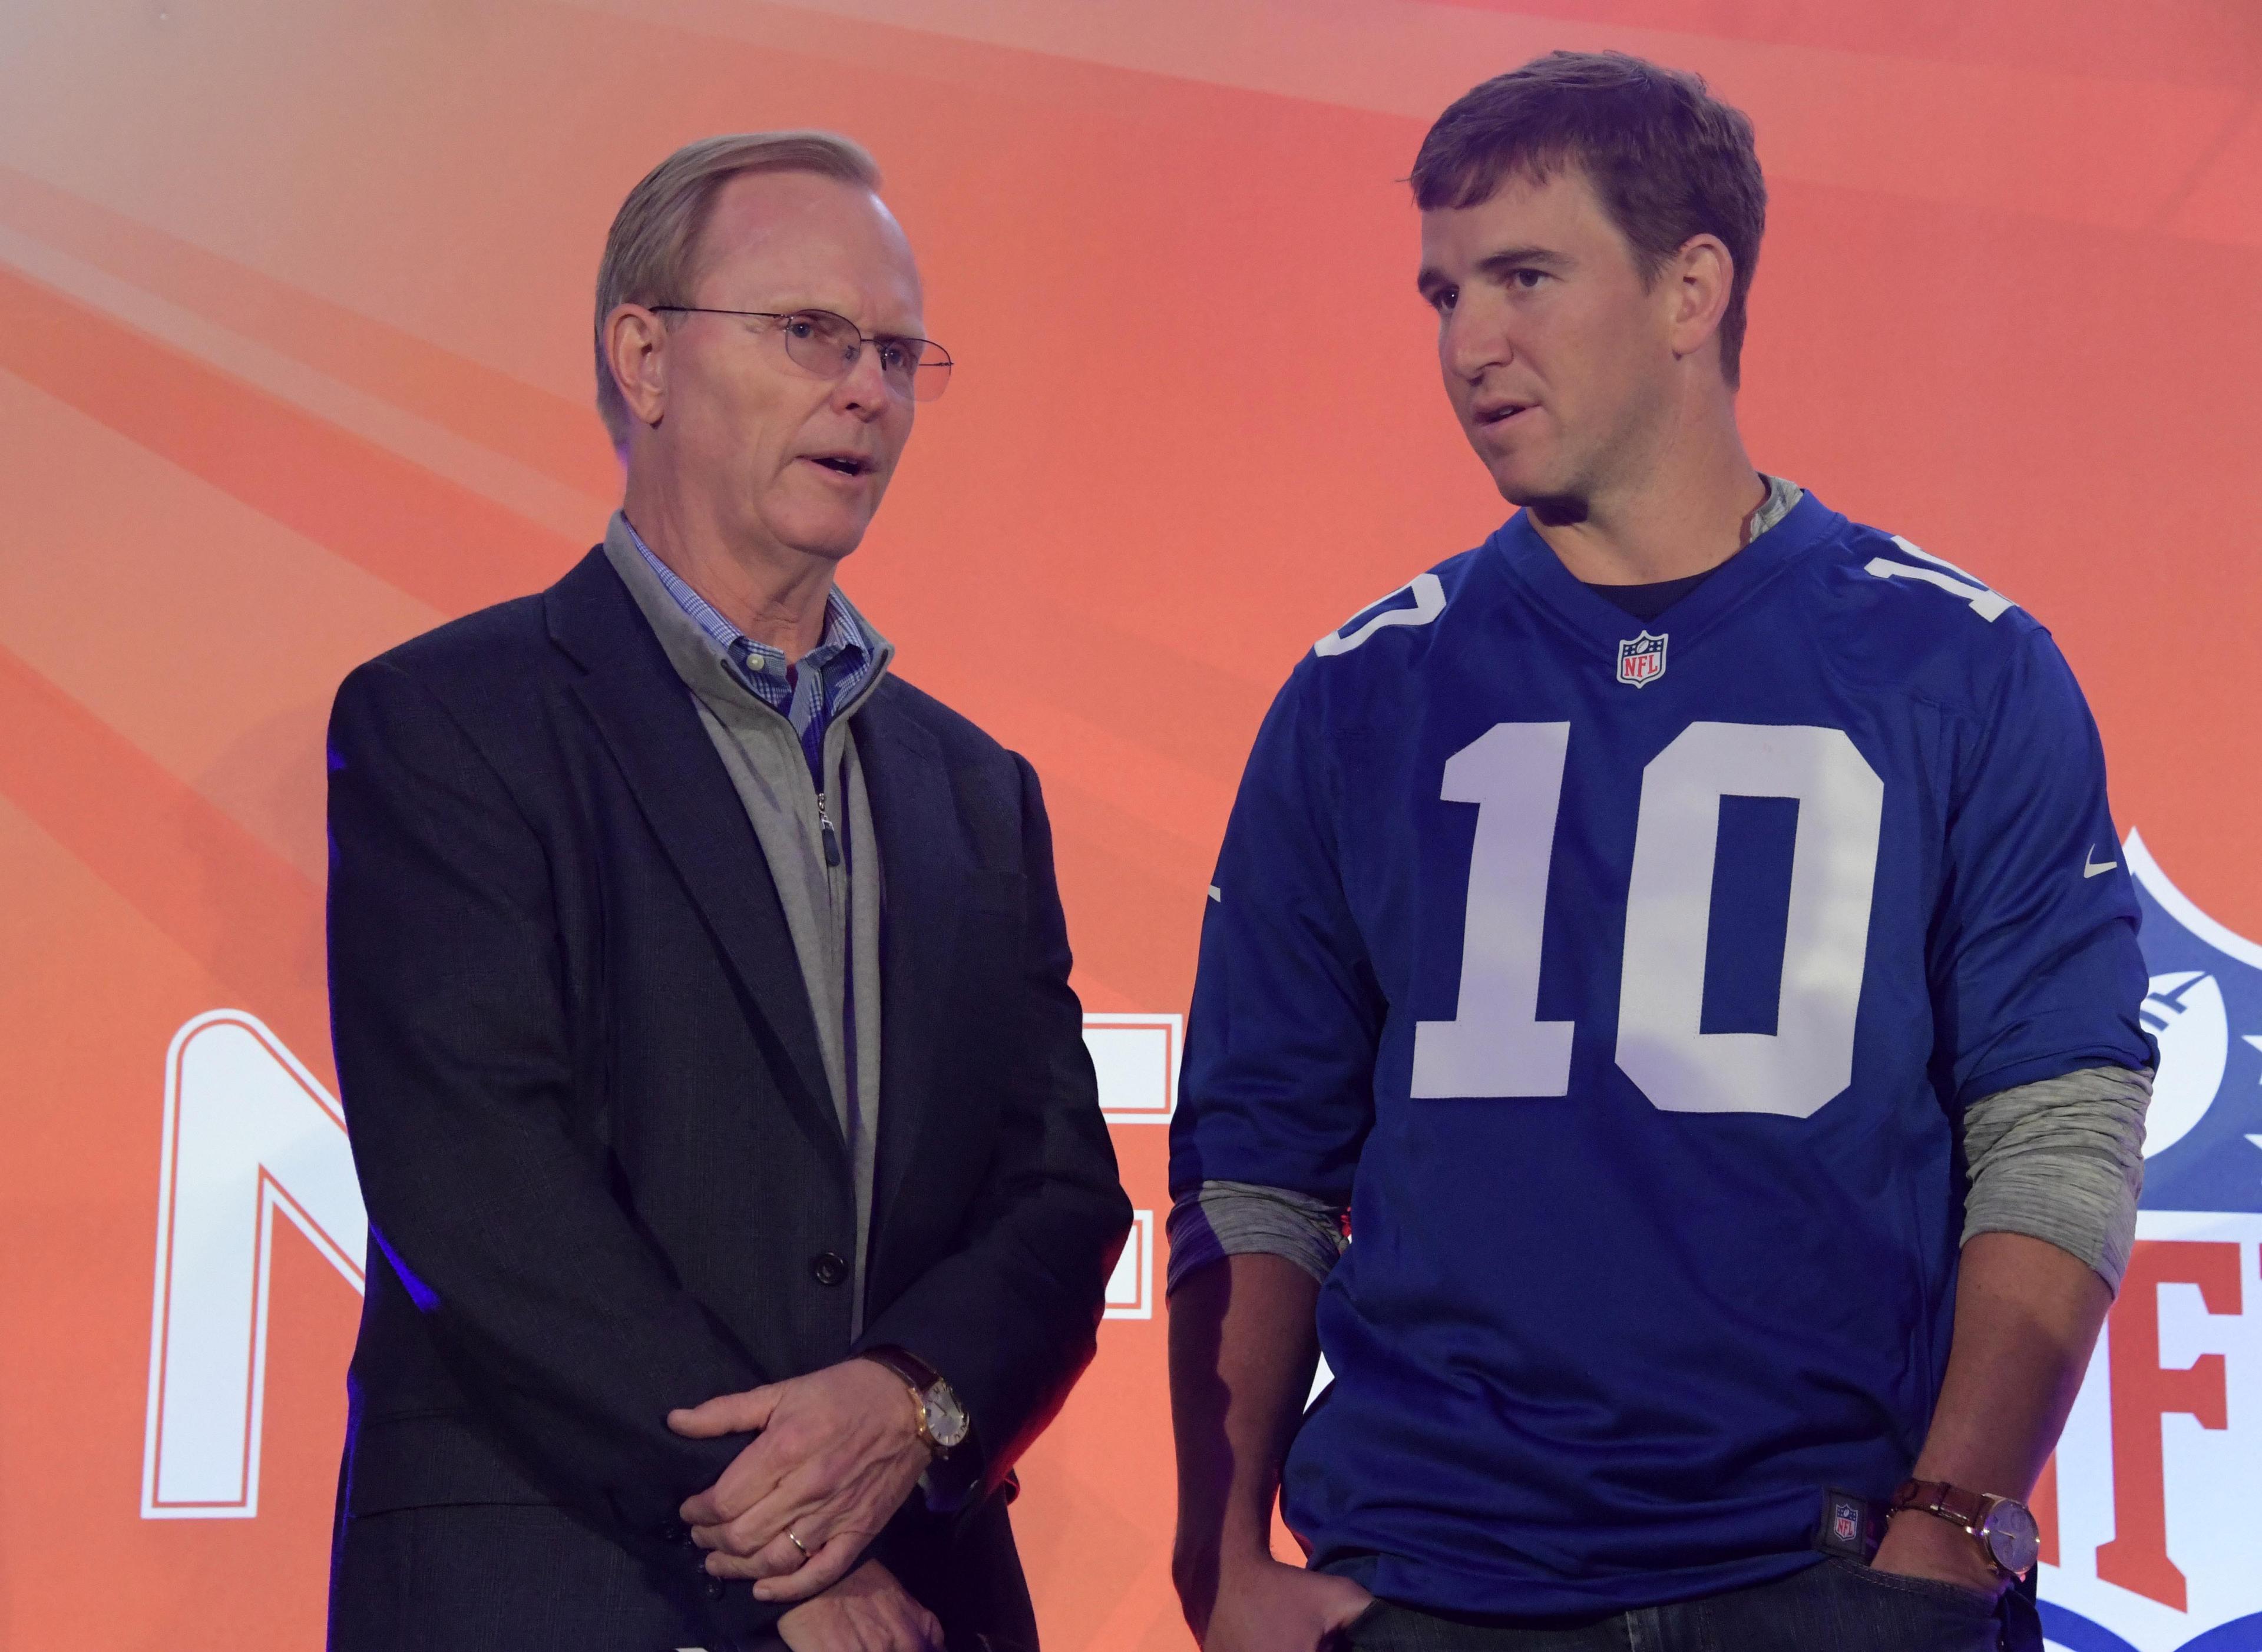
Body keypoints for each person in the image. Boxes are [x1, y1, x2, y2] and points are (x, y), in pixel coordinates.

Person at [1166, 51, 2151, 1652]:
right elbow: (1258, 1157)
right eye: (1443, 292)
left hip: (1831, 1578)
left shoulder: (1962, 668)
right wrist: (1219, 1551)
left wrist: (1956, 1523)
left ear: (1694, 286)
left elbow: (2055, 1123)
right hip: (1432, 1583)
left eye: (1526, 278)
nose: (1469, 342)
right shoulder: (1358, 695)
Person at [324, 131, 1130, 1652]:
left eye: (896, 351)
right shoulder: (450, 721)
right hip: (570, 1586)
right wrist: (787, 1546)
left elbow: (1058, 1191)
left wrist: (910, 1402)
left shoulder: (973, 788)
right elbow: (484, 1189)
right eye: (810, 334)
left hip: (926, 1606)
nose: (867, 391)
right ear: (645, 356)